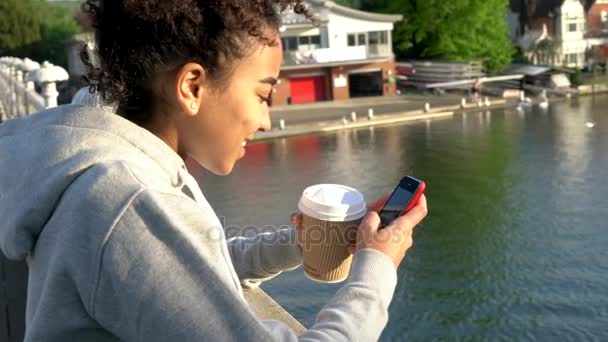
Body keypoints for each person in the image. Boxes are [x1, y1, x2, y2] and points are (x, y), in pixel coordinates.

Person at [0, 0, 428, 340]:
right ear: (192, 87)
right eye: (263, 95)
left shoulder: (117, 161)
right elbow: (167, 259)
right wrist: (377, 267)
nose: (266, 121)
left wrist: (306, 242)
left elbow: (193, 268)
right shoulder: (127, 201)